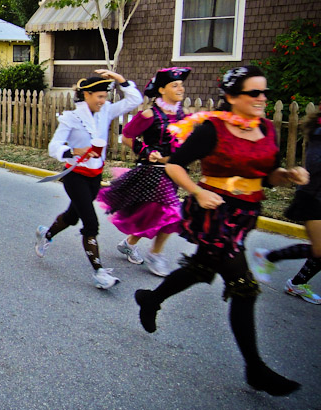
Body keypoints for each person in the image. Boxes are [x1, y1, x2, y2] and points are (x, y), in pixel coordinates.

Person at [134, 66, 308, 396]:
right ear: (231, 97)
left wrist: (288, 176)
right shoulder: (213, 128)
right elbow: (174, 164)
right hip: (215, 213)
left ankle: (150, 299)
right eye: (253, 93)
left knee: (202, 270)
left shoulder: (268, 129)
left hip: (246, 214)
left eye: (264, 92)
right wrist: (197, 192)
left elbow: (268, 175)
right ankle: (255, 368)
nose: (261, 98)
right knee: (244, 286)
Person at [35, 70, 143, 289]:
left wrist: (120, 78)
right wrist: (75, 150)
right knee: (90, 223)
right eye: (99, 96)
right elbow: (53, 147)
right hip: (75, 176)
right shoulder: (71, 118)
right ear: (87, 95)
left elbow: (135, 99)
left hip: (95, 176)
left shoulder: (106, 112)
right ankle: (99, 272)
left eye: (105, 96)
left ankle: (45, 234)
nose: (103, 101)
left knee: (72, 216)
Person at [97, 67, 191, 277]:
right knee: (172, 213)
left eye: (181, 85)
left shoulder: (182, 114)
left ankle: (129, 243)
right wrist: (147, 151)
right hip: (154, 172)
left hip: (174, 171)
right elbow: (127, 137)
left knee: (151, 214)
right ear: (162, 89)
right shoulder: (149, 114)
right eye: (175, 85)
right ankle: (155, 254)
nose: (180, 88)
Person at [253, 107, 321, 305]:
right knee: (319, 249)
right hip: (313, 197)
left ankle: (297, 283)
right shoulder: (319, 133)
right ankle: (269, 257)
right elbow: (314, 164)